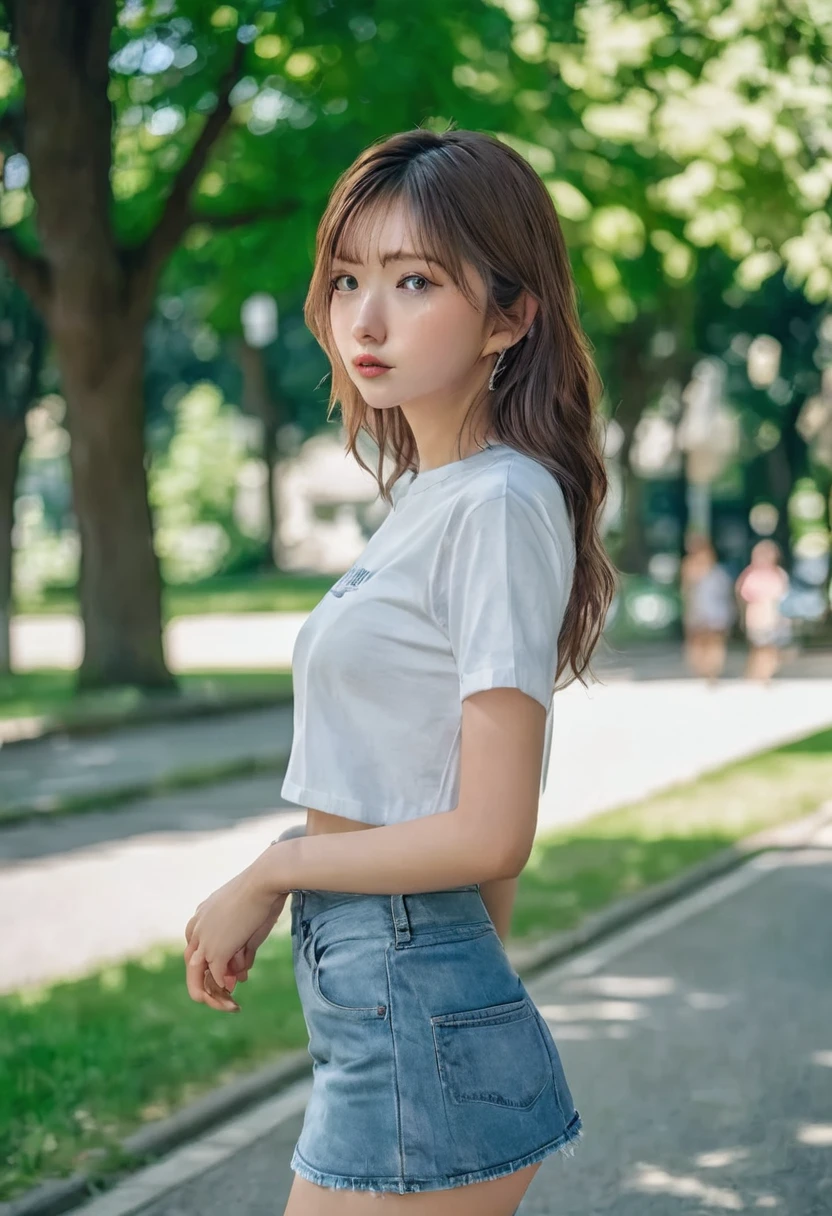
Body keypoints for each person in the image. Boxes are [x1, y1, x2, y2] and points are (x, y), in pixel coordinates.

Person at [183, 126, 617, 1215]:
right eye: (346, 280)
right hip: (393, 996)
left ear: (510, 316)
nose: (362, 319)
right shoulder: (432, 499)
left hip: (407, 990)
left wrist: (273, 870)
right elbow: (450, 789)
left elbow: (492, 830)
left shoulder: (503, 503)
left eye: (413, 280)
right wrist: (458, 993)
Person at [680, 533, 736, 683]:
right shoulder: (691, 568)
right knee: (702, 641)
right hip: (702, 609)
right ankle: (706, 669)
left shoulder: (715, 572)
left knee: (712, 641)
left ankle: (710, 670)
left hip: (710, 610)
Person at [735, 539, 791, 683]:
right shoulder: (750, 574)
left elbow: (783, 598)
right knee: (758, 647)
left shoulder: (779, 574)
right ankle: (757, 672)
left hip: (774, 617)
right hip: (756, 617)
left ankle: (766, 673)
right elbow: (742, 596)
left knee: (771, 648)